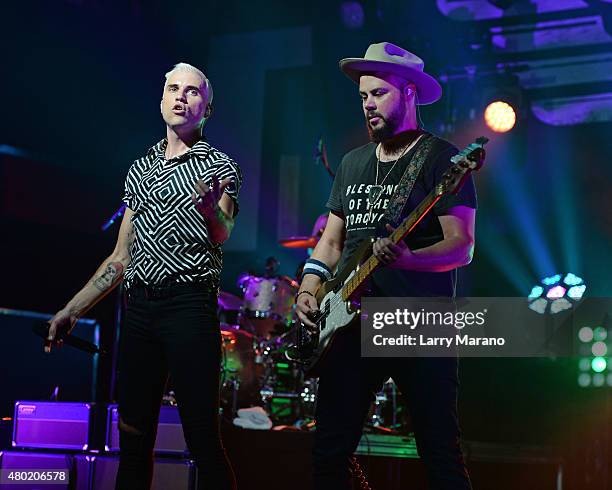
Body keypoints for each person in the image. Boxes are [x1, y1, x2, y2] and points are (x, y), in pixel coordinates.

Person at [46, 62, 241, 490]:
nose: (180, 97)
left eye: (192, 92)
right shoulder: (142, 166)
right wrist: (71, 310)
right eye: (174, 88)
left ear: (206, 108)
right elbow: (120, 256)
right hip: (139, 310)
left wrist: (210, 211)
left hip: (189, 306)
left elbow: (224, 232)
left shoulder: (218, 165)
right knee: (133, 437)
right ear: (161, 100)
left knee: (203, 437)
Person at [296, 42, 476, 489]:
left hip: (418, 321)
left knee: (440, 453)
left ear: (410, 92)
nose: (368, 106)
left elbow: (461, 246)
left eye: (378, 94)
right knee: (329, 452)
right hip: (348, 322)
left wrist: (412, 258)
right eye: (363, 97)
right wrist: (307, 287)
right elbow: (331, 242)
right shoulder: (352, 163)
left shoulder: (441, 159)